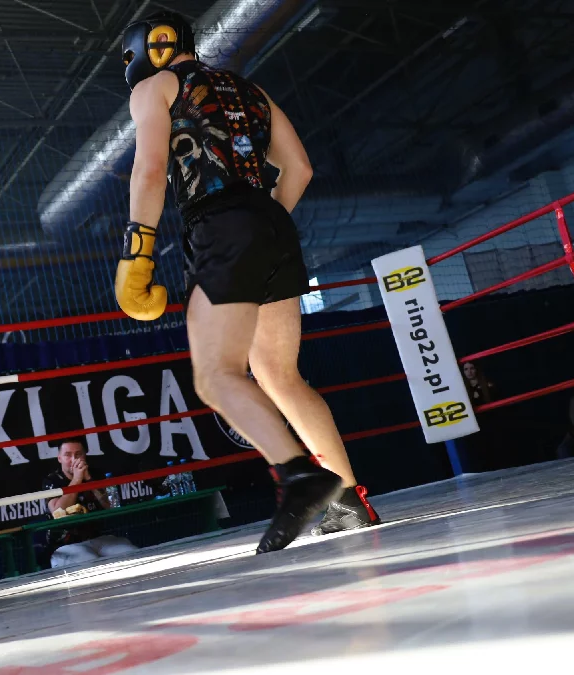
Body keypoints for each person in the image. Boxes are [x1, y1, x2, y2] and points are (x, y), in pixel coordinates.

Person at [114, 12, 380, 554]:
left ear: (150, 48)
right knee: (281, 376)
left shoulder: (154, 88)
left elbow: (150, 170)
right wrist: (262, 225)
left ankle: (298, 476)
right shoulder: (249, 90)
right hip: (272, 225)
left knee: (216, 375)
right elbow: (299, 168)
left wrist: (137, 248)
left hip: (221, 227)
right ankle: (350, 501)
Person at [41, 439, 139, 567]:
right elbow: (57, 512)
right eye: (68, 455)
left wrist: (89, 479)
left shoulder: (96, 474)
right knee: (90, 562)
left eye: (78, 454)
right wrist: (77, 480)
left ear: (84, 456)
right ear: (59, 458)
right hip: (66, 545)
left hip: (101, 538)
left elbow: (112, 506)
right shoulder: (52, 480)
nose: (74, 459)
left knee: (132, 554)